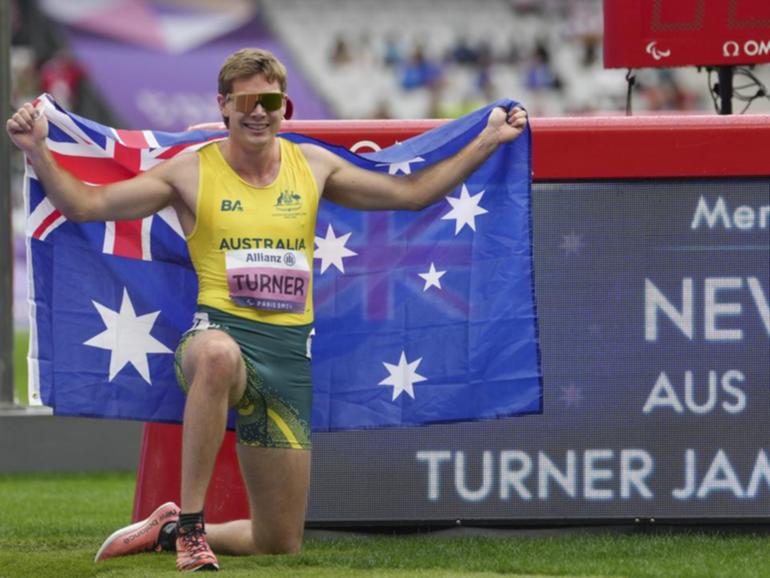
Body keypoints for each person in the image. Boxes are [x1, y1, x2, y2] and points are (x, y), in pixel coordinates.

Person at [6, 47, 527, 573]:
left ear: (286, 108)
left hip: (286, 361)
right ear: (225, 106)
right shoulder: (189, 173)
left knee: (277, 541)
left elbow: (412, 194)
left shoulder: (315, 166)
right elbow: (87, 206)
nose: (259, 111)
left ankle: (167, 529)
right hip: (216, 336)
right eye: (247, 101)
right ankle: (190, 528)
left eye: (270, 101)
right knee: (216, 357)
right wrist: (37, 150)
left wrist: (488, 139)